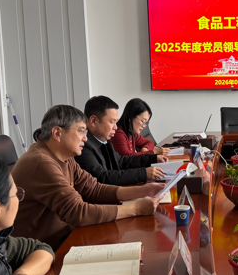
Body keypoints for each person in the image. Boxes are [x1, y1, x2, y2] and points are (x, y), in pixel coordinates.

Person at [11, 105, 163, 248]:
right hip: (44, 250)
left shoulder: (65, 156)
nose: (85, 138)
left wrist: (142, 191)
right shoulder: (41, 162)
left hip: (67, 236)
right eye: (81, 131)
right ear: (57, 133)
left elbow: (93, 189)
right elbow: (77, 212)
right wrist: (136, 208)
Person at [75, 95, 168, 186]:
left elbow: (121, 162)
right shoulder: (82, 146)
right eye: (112, 122)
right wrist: (143, 173)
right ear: (93, 121)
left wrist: (153, 158)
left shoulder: (105, 140)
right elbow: (102, 177)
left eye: (116, 122)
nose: (115, 127)